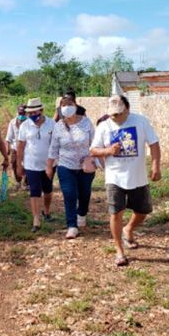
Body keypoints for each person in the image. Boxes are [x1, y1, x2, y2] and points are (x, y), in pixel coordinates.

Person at [90, 95, 161, 267]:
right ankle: (119, 251)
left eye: (119, 114)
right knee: (116, 213)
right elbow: (93, 150)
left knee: (143, 211)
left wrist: (156, 166)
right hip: (114, 176)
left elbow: (154, 144)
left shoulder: (140, 121)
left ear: (127, 109)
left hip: (137, 176)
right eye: (112, 114)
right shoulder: (104, 126)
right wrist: (108, 150)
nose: (115, 117)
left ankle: (128, 229)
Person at [47, 95, 95, 239]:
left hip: (85, 167)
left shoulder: (86, 123)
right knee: (69, 195)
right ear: (60, 109)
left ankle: (82, 213)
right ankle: (72, 226)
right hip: (65, 165)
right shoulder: (58, 126)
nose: (67, 107)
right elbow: (53, 148)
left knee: (85, 194)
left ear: (75, 106)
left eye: (69, 104)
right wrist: (49, 166)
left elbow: (94, 143)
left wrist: (96, 160)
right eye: (64, 105)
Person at [17, 98, 56, 233]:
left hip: (49, 164)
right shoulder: (25, 126)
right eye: (30, 113)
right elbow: (20, 146)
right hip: (31, 164)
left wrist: (52, 163)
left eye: (35, 112)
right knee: (34, 190)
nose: (32, 115)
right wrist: (19, 164)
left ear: (42, 110)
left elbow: (55, 144)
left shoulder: (52, 124)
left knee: (48, 190)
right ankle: (36, 218)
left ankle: (46, 210)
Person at [5, 104, 27, 190]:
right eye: (20, 113)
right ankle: (18, 181)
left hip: (27, 148)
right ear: (18, 112)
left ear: (26, 113)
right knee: (14, 164)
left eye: (23, 113)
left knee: (27, 165)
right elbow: (8, 137)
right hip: (15, 148)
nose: (21, 115)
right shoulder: (13, 122)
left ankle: (26, 183)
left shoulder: (29, 123)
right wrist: (7, 148)